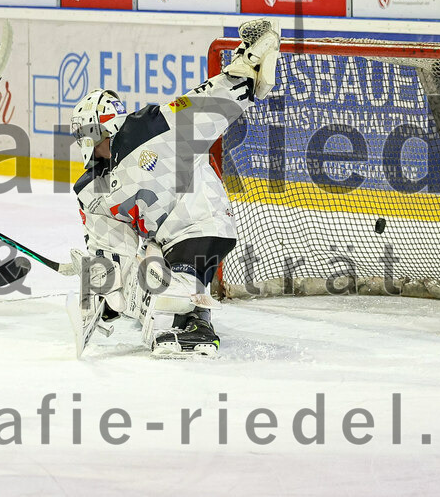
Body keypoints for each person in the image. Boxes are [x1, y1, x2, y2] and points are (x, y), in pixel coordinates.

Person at [66, 18, 280, 357]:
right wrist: (104, 288)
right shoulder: (91, 188)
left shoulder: (152, 127)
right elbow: (108, 243)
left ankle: (195, 323)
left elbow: (209, 101)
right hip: (162, 244)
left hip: (202, 224)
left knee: (171, 297)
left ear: (104, 126)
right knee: (149, 292)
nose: (85, 141)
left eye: (87, 132)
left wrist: (250, 63)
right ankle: (187, 318)